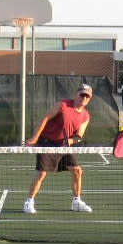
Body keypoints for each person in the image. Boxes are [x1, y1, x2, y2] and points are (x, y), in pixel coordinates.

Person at [22, 84, 94, 214]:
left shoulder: (85, 116)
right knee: (41, 173)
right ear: (76, 94)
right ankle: (28, 202)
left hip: (64, 146)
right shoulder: (62, 105)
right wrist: (34, 138)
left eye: (87, 96)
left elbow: (79, 136)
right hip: (47, 142)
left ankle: (76, 202)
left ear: (89, 99)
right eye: (82, 94)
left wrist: (71, 140)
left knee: (77, 171)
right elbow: (45, 118)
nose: (84, 98)